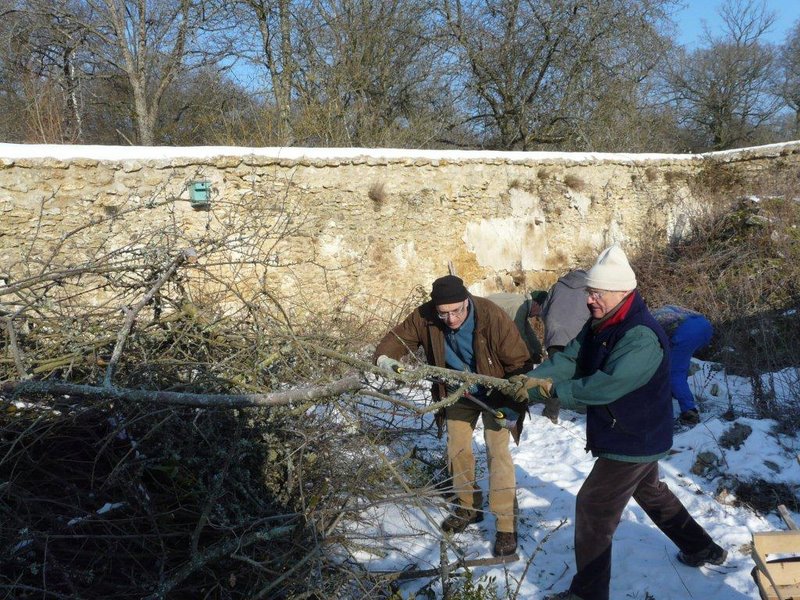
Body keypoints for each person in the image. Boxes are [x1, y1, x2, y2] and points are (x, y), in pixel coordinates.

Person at [508, 245, 726, 600]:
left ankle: (588, 594)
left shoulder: (639, 335)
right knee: (652, 493)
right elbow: (571, 360)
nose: (589, 300)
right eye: (589, 292)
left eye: (596, 293)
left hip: (632, 437)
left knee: (593, 507)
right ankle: (703, 548)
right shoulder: (601, 323)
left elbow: (605, 386)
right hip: (632, 431)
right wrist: (533, 380)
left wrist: (548, 391)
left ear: (621, 291)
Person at [373, 275, 533, 557]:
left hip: (497, 392)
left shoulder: (491, 316)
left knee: (498, 454)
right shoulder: (425, 316)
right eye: (443, 313)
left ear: (467, 301)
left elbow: (520, 363)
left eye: (457, 311)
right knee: (457, 449)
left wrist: (514, 403)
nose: (450, 319)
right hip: (460, 392)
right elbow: (397, 339)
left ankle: (506, 524)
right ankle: (467, 507)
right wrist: (385, 359)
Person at [651, 305, 714, 426]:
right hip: (705, 325)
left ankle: (689, 410)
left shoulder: (645, 324)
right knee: (679, 363)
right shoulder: (658, 312)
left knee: (674, 373)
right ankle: (675, 391)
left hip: (686, 333)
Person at [486, 290, 548, 363]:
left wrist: (539, 352)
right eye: (541, 311)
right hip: (482, 317)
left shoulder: (523, 304)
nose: (538, 315)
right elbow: (518, 334)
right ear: (536, 304)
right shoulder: (520, 306)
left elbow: (529, 333)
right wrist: (532, 354)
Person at [540, 269, 591, 356]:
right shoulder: (589, 290)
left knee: (556, 366)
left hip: (554, 336)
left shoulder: (556, 286)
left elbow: (543, 311)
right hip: (577, 338)